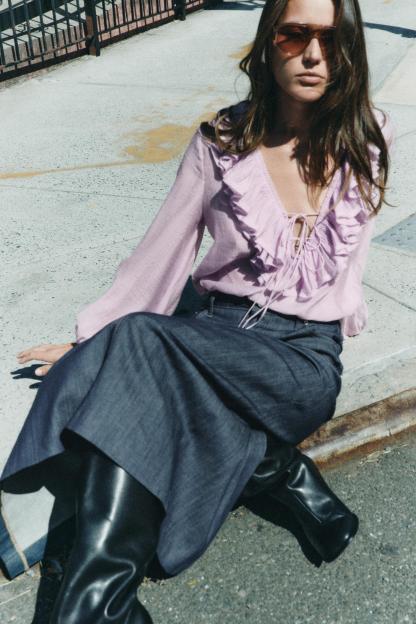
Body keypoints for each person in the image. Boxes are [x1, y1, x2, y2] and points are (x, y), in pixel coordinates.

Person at [0, 0, 394, 621]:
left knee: (140, 350)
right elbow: (164, 253)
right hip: (217, 332)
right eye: (295, 36)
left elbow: (343, 267)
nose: (315, 55)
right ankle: (98, 606)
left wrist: (106, 350)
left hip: (301, 358)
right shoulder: (221, 144)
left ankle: (101, 598)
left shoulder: (367, 138)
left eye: (332, 39)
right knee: (140, 358)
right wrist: (93, 338)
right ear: (268, 42)